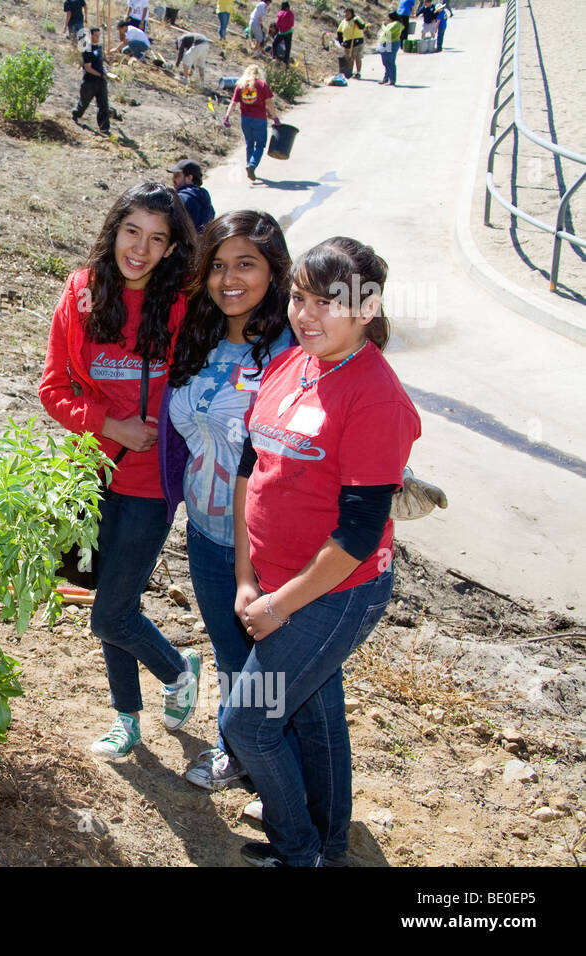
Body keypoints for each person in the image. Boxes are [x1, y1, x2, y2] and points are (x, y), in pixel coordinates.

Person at [222, 237, 421, 866]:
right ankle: (330, 848)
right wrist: (246, 579)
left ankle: (299, 851)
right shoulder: (291, 364)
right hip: (274, 582)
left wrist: (279, 606)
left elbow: (360, 534)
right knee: (314, 714)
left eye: (327, 302)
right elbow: (251, 470)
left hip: (335, 592)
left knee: (247, 724)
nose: (306, 315)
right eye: (299, 297)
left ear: (367, 309)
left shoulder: (375, 396)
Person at [39, 181, 203, 759]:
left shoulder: (183, 301)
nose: (140, 249)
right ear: (114, 230)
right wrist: (112, 425)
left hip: (150, 482)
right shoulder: (82, 292)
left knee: (109, 612)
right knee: (112, 601)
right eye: (132, 231)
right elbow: (53, 388)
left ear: (171, 249)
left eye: (158, 239)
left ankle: (178, 670)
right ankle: (126, 718)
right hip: (90, 471)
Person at [162, 210, 293, 792]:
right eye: (218, 265)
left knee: (273, 668)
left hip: (266, 543)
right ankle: (233, 752)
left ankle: (273, 770)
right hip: (206, 531)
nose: (229, 278)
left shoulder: (293, 350)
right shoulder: (200, 337)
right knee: (228, 652)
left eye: (247, 264)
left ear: (274, 272)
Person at [223, 64, 278, 182]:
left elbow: (233, 103)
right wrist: (275, 118)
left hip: (245, 119)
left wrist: (227, 117)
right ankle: (252, 165)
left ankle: (249, 165)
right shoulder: (262, 85)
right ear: (258, 73)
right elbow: (269, 103)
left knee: (249, 143)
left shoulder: (241, 86)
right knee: (260, 145)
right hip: (259, 119)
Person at [73, 25, 117, 135]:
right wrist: (100, 75)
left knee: (103, 105)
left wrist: (105, 72)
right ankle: (76, 113)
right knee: (84, 103)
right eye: (95, 35)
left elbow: (100, 63)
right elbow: (88, 67)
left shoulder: (99, 48)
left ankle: (104, 128)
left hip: (101, 82)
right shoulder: (87, 49)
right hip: (89, 82)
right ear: (90, 35)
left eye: (99, 35)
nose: (97, 37)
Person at [168, 158, 215, 232]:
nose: (173, 179)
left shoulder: (181, 199)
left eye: (177, 175)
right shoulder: (207, 203)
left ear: (189, 177)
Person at [337, 7, 366, 79]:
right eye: (345, 13)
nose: (346, 14)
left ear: (352, 14)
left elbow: (362, 26)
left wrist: (357, 22)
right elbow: (339, 32)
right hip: (347, 43)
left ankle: (358, 73)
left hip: (357, 42)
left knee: (357, 58)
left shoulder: (356, 18)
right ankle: (350, 72)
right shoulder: (343, 21)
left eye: (348, 13)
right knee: (349, 59)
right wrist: (341, 42)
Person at [376, 15, 403, 86]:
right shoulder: (390, 24)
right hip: (386, 42)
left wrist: (383, 26)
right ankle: (386, 78)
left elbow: (388, 31)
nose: (387, 19)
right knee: (386, 62)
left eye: (388, 17)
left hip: (391, 43)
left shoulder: (396, 24)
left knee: (390, 62)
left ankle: (392, 80)